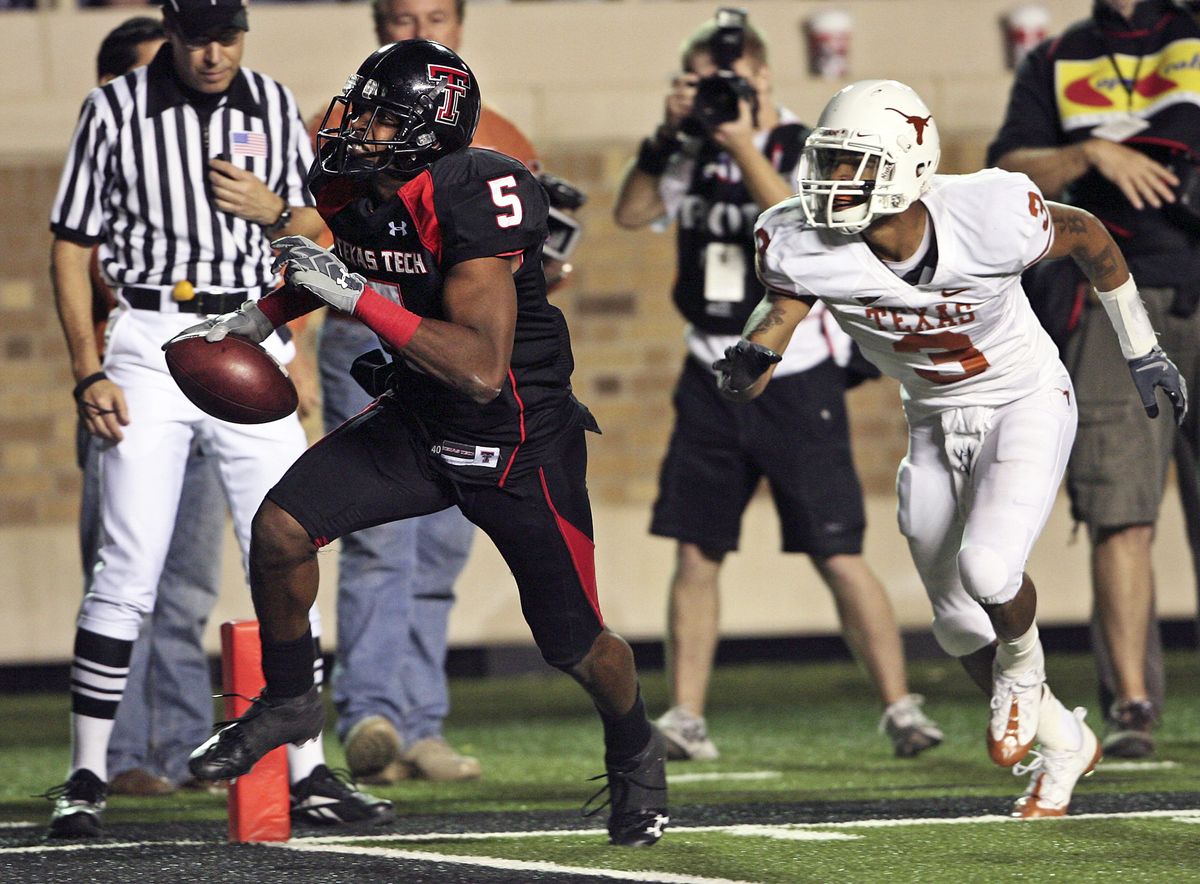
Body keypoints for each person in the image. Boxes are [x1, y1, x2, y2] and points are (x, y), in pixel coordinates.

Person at [184, 39, 669, 848]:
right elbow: (346, 261)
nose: (358, 126)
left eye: (381, 115)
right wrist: (260, 317)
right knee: (280, 530)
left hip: (515, 438)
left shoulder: (478, 189)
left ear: (432, 127)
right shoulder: (346, 183)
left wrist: (360, 298)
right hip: (420, 418)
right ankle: (291, 698)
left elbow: (480, 367)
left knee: (577, 644)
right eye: (360, 107)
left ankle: (634, 746)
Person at [723, 78, 1186, 817]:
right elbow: (779, 314)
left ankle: (1025, 673)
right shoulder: (796, 239)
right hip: (934, 418)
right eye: (830, 161)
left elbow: (1091, 237)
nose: (833, 181)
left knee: (988, 567)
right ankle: (1065, 741)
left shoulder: (991, 212)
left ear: (909, 167)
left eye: (854, 165)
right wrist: (748, 362)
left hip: (1024, 399)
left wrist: (1140, 348)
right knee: (955, 622)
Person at [45, 0, 390, 837]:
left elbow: (319, 233)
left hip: (250, 329)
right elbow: (68, 244)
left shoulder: (273, 104)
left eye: (226, 35)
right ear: (173, 27)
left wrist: (274, 215)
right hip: (151, 333)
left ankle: (306, 775)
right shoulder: (116, 107)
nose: (212, 53)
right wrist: (86, 367)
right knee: (126, 564)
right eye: (198, 36)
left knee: (286, 543)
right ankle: (86, 774)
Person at [612, 14, 943, 761]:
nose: (717, 94)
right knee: (697, 550)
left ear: (765, 80)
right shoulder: (686, 145)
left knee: (837, 550)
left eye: (730, 81)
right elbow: (630, 213)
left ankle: (900, 706)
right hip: (709, 368)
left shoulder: (809, 145)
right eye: (700, 82)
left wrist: (740, 140)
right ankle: (687, 717)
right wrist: (668, 138)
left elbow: (813, 229)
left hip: (795, 373)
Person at [315, 0, 583, 787]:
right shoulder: (344, 125)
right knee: (375, 534)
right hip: (363, 327)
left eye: (431, 14)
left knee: (445, 540)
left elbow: (535, 269)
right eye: (399, 13)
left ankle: (419, 718)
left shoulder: (501, 141)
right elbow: (318, 249)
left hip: (457, 338)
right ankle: (372, 711)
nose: (413, 26)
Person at [987, 0, 1200, 760]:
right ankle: (1133, 707)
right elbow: (1010, 167)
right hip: (1115, 302)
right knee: (1120, 510)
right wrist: (1092, 156)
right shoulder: (1056, 58)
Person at [73, 14, 225, 801]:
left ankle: (181, 745)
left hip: (215, 380)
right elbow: (98, 270)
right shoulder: (104, 173)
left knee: (191, 584)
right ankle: (120, 752)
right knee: (125, 574)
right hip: (128, 385)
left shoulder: (206, 159)